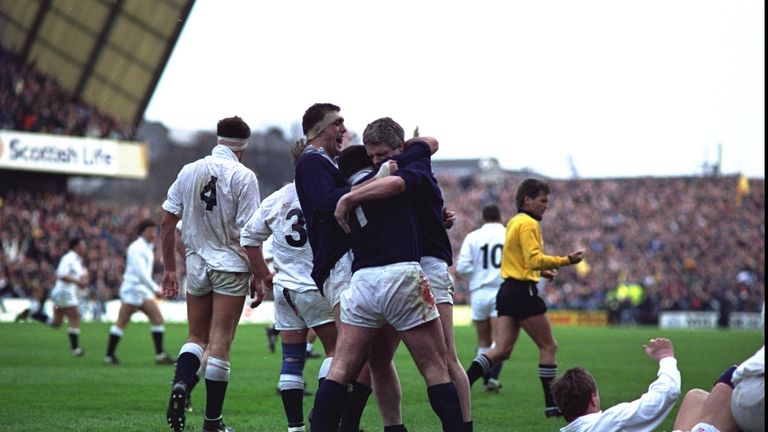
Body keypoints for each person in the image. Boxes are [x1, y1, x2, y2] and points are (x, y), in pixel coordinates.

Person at [312, 127, 463, 431]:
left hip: (363, 283)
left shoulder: (345, 194)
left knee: (341, 369)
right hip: (401, 275)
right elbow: (411, 166)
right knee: (436, 368)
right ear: (370, 165)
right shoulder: (389, 181)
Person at [360, 117, 472, 430]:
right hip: (397, 271)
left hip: (428, 263)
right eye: (372, 157)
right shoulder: (389, 169)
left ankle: (463, 427)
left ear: (399, 146)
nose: (377, 161)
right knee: (378, 358)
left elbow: (430, 143)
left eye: (382, 154)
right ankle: (392, 426)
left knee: (447, 359)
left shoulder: (413, 160)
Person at [161, 116, 268, 432]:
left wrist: (169, 268)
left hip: (196, 266)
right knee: (221, 342)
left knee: (196, 337)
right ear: (243, 147)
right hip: (230, 266)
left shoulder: (189, 170)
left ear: (218, 139)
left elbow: (168, 222)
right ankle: (212, 422)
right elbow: (250, 233)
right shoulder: (244, 176)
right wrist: (259, 275)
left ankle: (181, 384)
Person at [294, 103, 388, 431]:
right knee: (351, 352)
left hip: (340, 262)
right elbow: (329, 199)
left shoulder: (321, 161)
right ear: (320, 128)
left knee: (365, 352)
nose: (344, 130)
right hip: (337, 263)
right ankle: (333, 425)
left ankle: (344, 424)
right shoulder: (312, 161)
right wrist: (376, 183)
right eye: (338, 123)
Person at [465, 178, 584, 417]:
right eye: (542, 201)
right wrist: (566, 260)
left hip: (507, 290)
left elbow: (519, 259)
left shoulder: (514, 221)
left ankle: (460, 386)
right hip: (522, 292)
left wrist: (541, 270)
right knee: (548, 346)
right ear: (527, 200)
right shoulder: (528, 223)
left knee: (501, 350)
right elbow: (532, 259)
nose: (546, 206)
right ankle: (551, 405)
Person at [241, 140, 338, 432]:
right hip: (315, 287)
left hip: (284, 290)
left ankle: (294, 428)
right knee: (338, 353)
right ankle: (324, 422)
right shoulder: (325, 195)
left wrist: (263, 275)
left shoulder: (278, 198)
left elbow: (249, 236)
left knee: (291, 361)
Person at [549, 337, 681, 431]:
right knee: (697, 398)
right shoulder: (612, 421)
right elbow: (667, 392)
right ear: (592, 399)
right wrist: (666, 357)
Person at [104, 219, 174, 365]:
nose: (153, 234)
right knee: (122, 322)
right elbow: (141, 273)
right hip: (132, 290)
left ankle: (160, 354)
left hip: (141, 290)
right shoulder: (136, 248)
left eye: (154, 231)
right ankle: (109, 356)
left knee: (158, 319)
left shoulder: (146, 247)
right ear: (142, 232)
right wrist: (155, 289)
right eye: (150, 231)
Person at [455, 204, 507, 393]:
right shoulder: (508, 234)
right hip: (501, 290)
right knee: (498, 342)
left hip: (479, 292)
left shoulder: (473, 237)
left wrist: (478, 272)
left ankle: (485, 380)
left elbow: (462, 268)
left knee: (483, 341)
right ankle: (491, 379)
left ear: (483, 218)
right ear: (500, 217)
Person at [21, 237, 88, 356]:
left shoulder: (77, 260)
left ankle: (35, 314)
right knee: (74, 316)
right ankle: (75, 349)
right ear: (76, 246)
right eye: (82, 245)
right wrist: (78, 282)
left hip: (63, 294)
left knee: (56, 323)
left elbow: (77, 277)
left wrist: (82, 281)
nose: (84, 247)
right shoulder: (68, 258)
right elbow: (61, 274)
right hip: (64, 293)